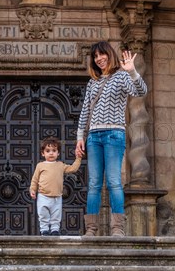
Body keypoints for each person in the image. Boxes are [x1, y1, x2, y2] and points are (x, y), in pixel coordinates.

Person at [75, 41, 147, 237]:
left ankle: (117, 228)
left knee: (114, 182)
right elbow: (85, 111)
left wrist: (132, 71)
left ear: (109, 54)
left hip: (114, 134)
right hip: (94, 137)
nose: (99, 59)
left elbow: (140, 91)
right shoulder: (93, 82)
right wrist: (80, 137)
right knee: (94, 184)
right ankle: (91, 228)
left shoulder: (122, 76)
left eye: (101, 54)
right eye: (95, 56)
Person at [30, 136, 81, 236]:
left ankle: (54, 230)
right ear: (43, 153)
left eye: (54, 150)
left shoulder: (60, 165)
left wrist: (78, 158)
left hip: (57, 197)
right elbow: (35, 179)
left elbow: (72, 169)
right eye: (48, 151)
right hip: (43, 195)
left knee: (56, 215)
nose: (51, 153)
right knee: (43, 213)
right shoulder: (40, 165)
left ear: (58, 153)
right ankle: (44, 230)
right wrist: (32, 189)